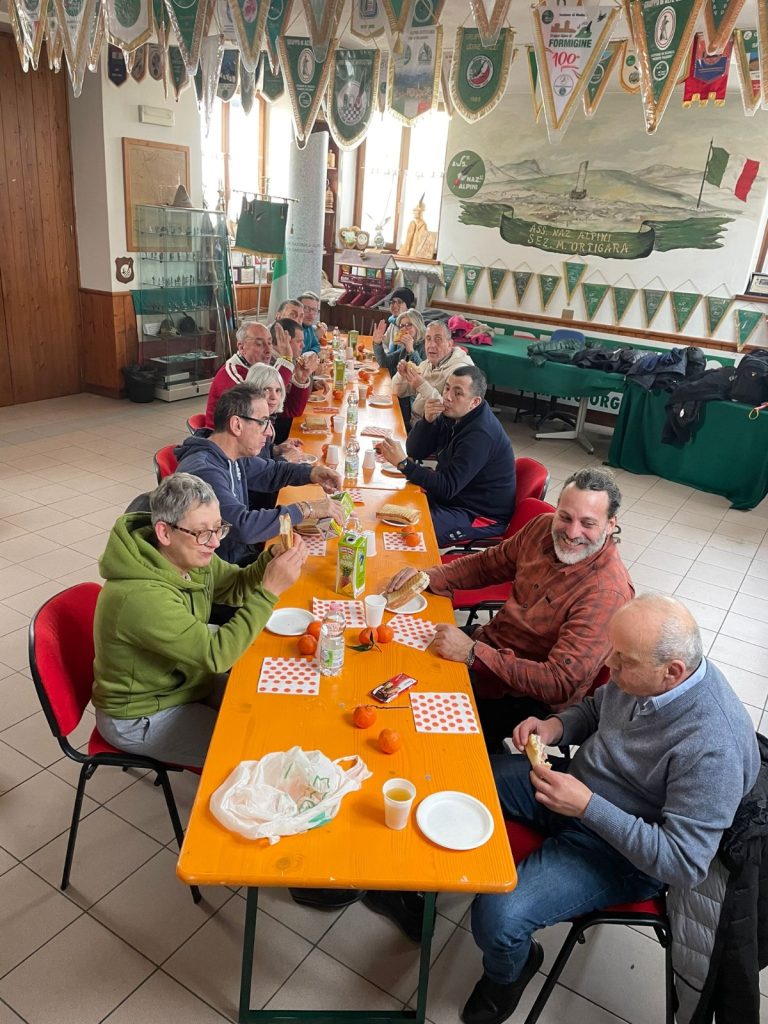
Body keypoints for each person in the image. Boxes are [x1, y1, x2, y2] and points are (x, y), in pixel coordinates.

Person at [463, 595, 760, 1024]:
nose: (611, 670)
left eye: (622, 663)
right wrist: (555, 725)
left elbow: (684, 863)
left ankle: (511, 971)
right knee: (466, 776)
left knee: (496, 917)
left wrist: (588, 807)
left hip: (623, 855)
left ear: (672, 671)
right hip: (577, 791)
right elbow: (597, 708)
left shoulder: (713, 746)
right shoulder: (645, 671)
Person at [384, 467, 634, 750]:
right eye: (565, 517)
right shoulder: (542, 527)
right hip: (487, 646)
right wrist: (428, 576)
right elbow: (486, 565)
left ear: (611, 524)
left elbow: (558, 682)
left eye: (588, 523)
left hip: (523, 697)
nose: (572, 532)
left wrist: (471, 653)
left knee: (419, 721)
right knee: (397, 655)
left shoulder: (605, 593)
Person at [91, 473, 308, 768]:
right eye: (203, 532)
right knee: (249, 752)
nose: (215, 542)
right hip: (142, 714)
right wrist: (270, 591)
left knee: (266, 706)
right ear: (164, 532)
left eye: (219, 528)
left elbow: (235, 585)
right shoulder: (140, 596)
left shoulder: (186, 553)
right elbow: (216, 655)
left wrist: (270, 558)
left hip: (184, 680)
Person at [176, 384, 343, 565]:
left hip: (238, 557)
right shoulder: (205, 471)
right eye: (263, 422)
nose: (269, 431)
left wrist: (312, 473)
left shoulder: (230, 453)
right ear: (237, 425)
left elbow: (270, 472)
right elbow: (244, 526)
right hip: (219, 573)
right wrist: (307, 508)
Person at [380, 366, 516, 547]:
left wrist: (405, 464)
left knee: (410, 531)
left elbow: (447, 486)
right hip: (454, 498)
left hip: (477, 513)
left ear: (474, 402)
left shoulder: (481, 435)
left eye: (458, 393)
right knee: (393, 507)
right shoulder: (454, 414)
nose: (448, 397)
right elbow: (415, 451)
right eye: (447, 388)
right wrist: (428, 421)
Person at [204, 319, 314, 429]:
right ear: (242, 347)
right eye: (259, 344)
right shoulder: (233, 373)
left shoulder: (260, 366)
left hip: (255, 435)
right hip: (228, 441)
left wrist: (301, 379)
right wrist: (286, 360)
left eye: (269, 343)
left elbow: (290, 410)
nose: (268, 350)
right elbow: (258, 407)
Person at [391, 320, 474, 425]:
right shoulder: (427, 364)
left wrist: (421, 385)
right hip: (415, 425)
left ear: (450, 344)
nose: (432, 345)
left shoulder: (460, 372)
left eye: (438, 339)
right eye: (428, 339)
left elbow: (450, 412)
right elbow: (397, 391)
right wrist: (402, 375)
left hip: (437, 432)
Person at [373, 305, 425, 378]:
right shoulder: (404, 348)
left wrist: (411, 351)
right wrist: (377, 343)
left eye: (409, 325)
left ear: (418, 326)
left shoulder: (426, 346)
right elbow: (384, 363)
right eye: (402, 326)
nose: (404, 329)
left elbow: (424, 374)